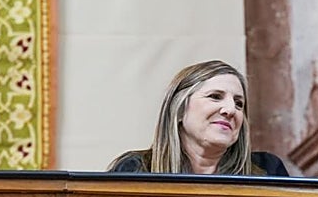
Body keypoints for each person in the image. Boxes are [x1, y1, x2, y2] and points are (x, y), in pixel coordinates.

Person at [108, 60, 289, 176]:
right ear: (179, 110)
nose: (230, 110)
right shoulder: (135, 169)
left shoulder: (267, 170)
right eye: (215, 96)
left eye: (239, 103)